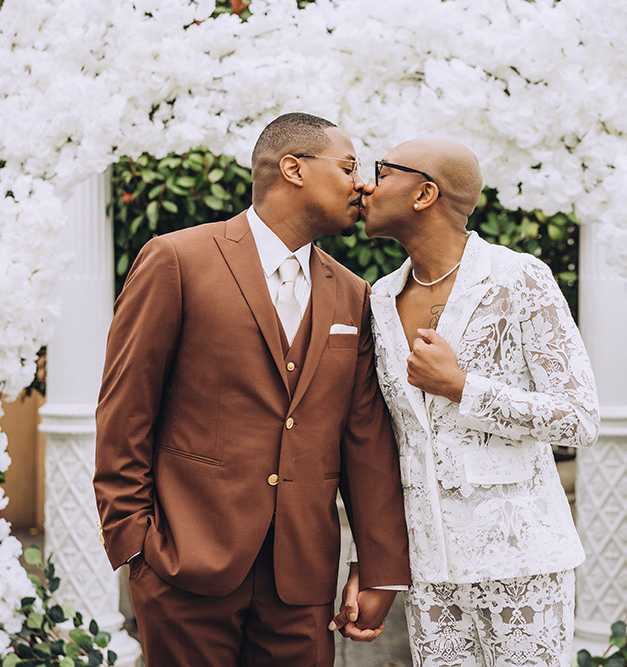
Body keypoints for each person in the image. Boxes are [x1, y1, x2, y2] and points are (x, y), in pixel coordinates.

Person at [93, 112, 411, 666]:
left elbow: (365, 440)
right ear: (293, 169)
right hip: (185, 565)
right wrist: (134, 541)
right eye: (348, 166)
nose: (362, 182)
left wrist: (378, 567)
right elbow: (125, 407)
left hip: (301, 579)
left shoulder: (353, 295)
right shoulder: (177, 259)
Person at [331, 138, 600, 666]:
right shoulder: (379, 298)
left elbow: (580, 418)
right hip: (431, 573)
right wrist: (374, 557)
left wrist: (462, 388)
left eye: (382, 172)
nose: (365, 183)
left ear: (425, 193)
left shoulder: (518, 278)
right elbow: (386, 445)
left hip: (522, 562)